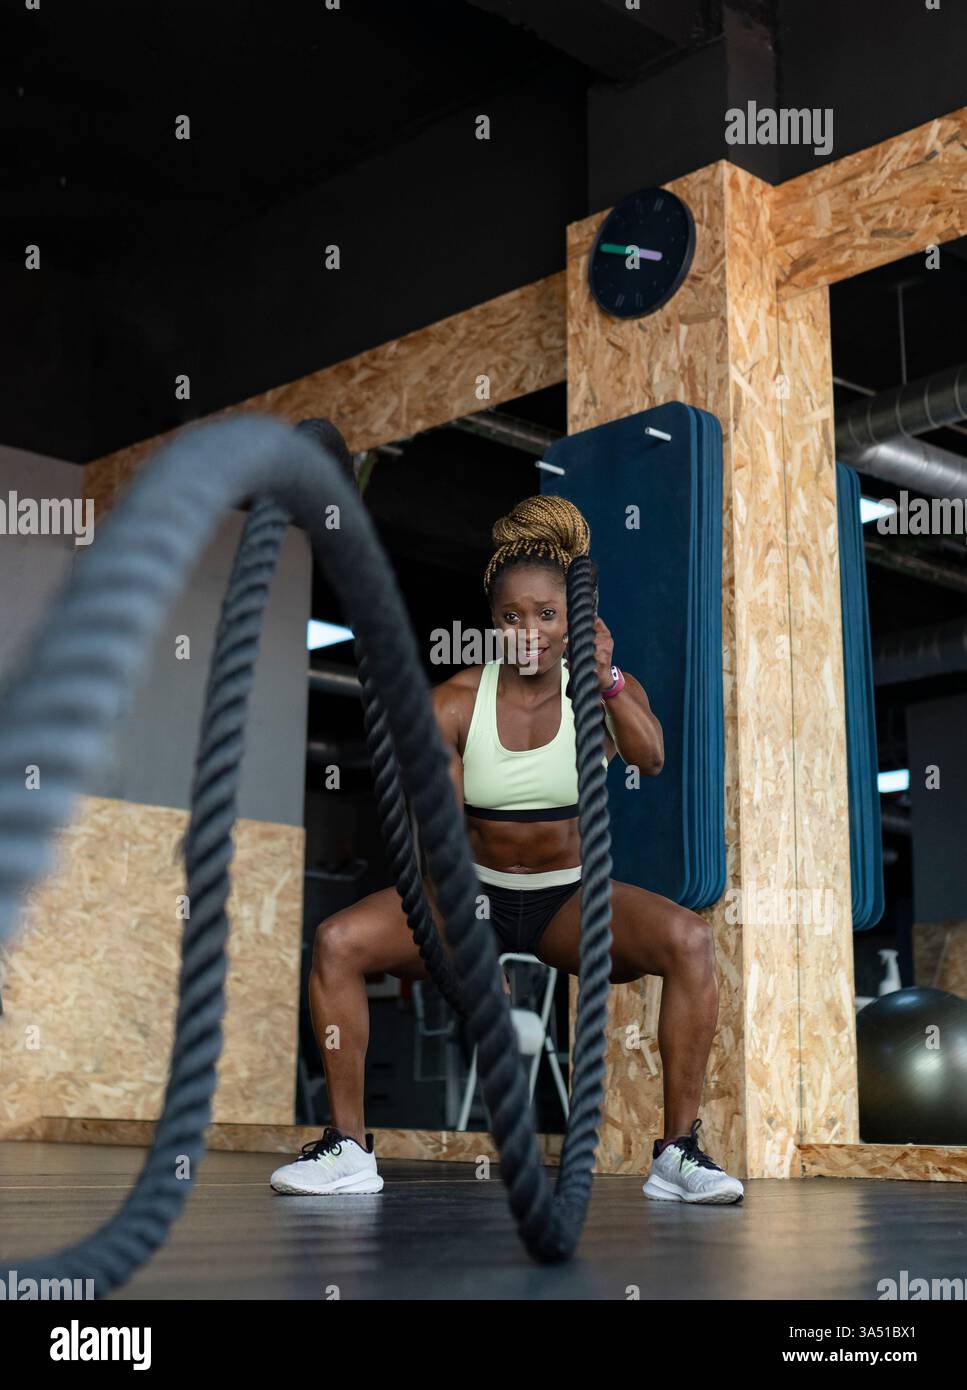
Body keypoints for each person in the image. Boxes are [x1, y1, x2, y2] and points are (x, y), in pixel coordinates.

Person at [271, 495, 743, 1204]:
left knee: (689, 941)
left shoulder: (601, 693)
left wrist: (608, 678)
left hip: (567, 902)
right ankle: (348, 1148)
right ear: (493, 623)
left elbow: (649, 756)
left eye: (546, 615)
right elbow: (437, 831)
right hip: (471, 897)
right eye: (512, 617)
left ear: (571, 620)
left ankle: (676, 1153)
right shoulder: (454, 703)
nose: (530, 632)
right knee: (337, 941)